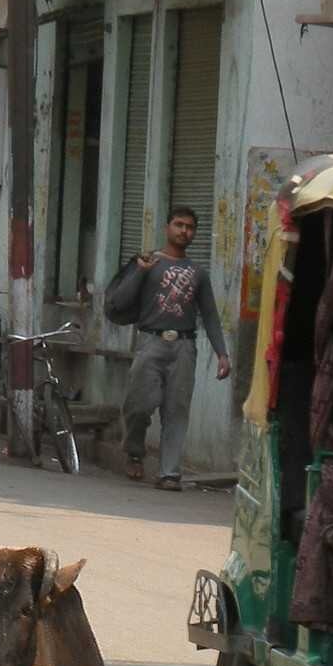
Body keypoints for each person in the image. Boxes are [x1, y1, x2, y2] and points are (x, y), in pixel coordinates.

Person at [109, 205, 230, 491]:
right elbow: (120, 302)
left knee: (177, 410)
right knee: (138, 406)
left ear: (194, 233)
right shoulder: (148, 262)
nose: (183, 231)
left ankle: (169, 473)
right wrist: (140, 272)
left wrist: (222, 353)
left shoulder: (197, 272)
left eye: (189, 227)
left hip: (184, 348)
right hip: (150, 342)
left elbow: (210, 314)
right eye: (178, 225)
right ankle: (135, 452)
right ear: (167, 228)